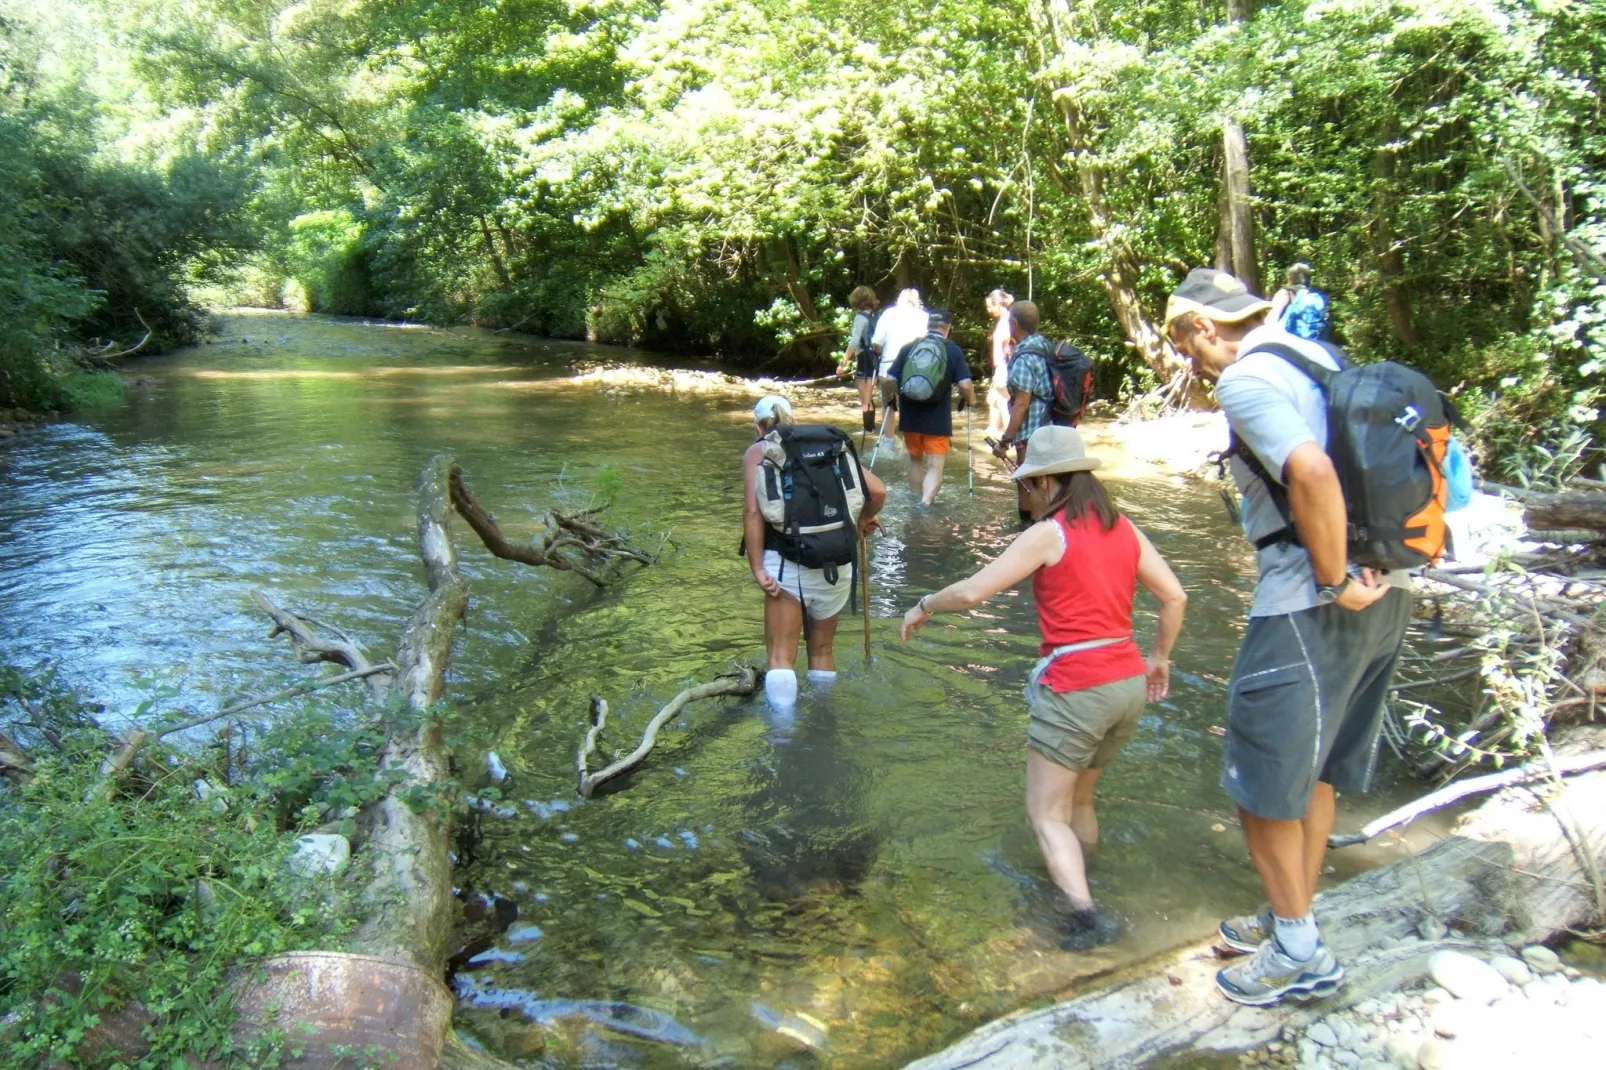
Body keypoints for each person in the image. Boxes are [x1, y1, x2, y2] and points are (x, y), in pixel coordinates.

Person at [1162, 268, 1412, 1006]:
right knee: (1319, 770)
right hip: (1387, 590)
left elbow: (1312, 473)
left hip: (1313, 600)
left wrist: (1333, 579)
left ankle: (1301, 951)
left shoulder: (1248, 380)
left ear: (1202, 328)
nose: (1190, 361)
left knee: (1264, 780)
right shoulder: (1324, 359)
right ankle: (1287, 915)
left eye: (1186, 345)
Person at [900, 425, 1186, 948]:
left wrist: (922, 607)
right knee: (1080, 803)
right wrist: (1159, 660)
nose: (1025, 495)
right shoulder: (1122, 526)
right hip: (1126, 683)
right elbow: (1175, 597)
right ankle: (1089, 880)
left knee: (1045, 814)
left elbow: (970, 593)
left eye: (1029, 485)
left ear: (1051, 482)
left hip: (1077, 687)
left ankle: (1084, 916)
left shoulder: (1050, 533)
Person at [744, 396, 887, 711]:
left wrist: (757, 567)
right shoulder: (827, 447)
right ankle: (823, 722)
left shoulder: (759, 450)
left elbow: (754, 515)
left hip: (787, 561)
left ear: (758, 426)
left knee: (782, 656)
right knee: (822, 650)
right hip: (837, 560)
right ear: (793, 421)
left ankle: (782, 738)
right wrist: (862, 519)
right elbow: (877, 491)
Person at [886, 308, 976, 506]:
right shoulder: (952, 350)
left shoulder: (909, 347)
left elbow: (888, 380)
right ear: (948, 328)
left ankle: (915, 500)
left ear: (928, 326)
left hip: (909, 415)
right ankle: (925, 504)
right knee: (935, 466)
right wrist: (971, 400)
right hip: (937, 418)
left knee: (915, 461)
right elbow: (965, 386)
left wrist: (888, 399)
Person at [993, 300, 1056, 524]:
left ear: (1014, 323)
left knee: (1027, 484)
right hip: (1051, 426)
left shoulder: (1023, 358)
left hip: (1031, 433)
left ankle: (1028, 534)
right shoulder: (1046, 347)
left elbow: (1021, 404)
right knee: (1045, 483)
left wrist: (1005, 441)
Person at [870, 288, 929, 453]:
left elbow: (877, 342)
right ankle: (911, 444)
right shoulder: (924, 317)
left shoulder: (889, 314)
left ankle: (888, 443)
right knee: (912, 405)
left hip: (889, 366)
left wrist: (878, 351)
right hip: (916, 368)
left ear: (899, 300)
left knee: (889, 405)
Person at [837, 286, 881, 439]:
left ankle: (868, 432)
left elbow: (854, 342)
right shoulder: (877, 317)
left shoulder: (859, 318)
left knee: (865, 399)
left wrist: (842, 363)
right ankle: (871, 430)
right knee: (869, 396)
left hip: (864, 360)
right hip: (877, 359)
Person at [1268, 263, 1330, 341]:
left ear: (1290, 278)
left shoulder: (1285, 293)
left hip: (1287, 343)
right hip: (1313, 344)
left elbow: (1271, 320)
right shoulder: (1317, 297)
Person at [984, 288, 1015, 438]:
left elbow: (1007, 342)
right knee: (993, 400)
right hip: (1002, 366)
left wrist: (1000, 361)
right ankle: (993, 430)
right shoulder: (1007, 320)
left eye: (990, 306)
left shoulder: (1006, 322)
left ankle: (1010, 436)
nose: (989, 310)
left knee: (1003, 403)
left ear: (998, 304)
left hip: (1003, 367)